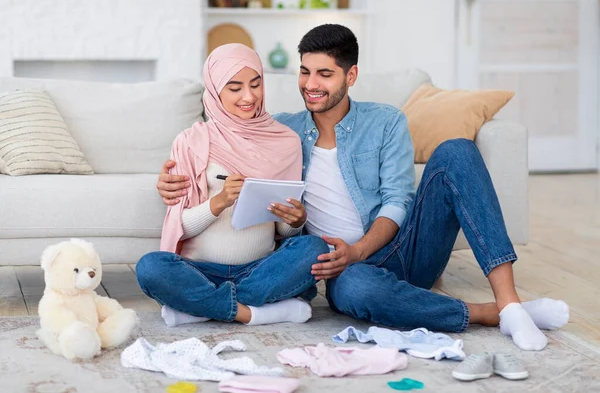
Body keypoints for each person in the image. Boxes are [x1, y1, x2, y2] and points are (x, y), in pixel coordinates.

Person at [156, 26, 569, 350]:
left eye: (324, 74)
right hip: (343, 270)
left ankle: (510, 302)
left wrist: (360, 249)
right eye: (304, 71)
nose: (311, 84)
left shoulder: (385, 121)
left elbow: (397, 200)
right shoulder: (280, 132)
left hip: (401, 247)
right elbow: (232, 142)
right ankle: (486, 313)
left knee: (458, 151)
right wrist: (171, 181)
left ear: (350, 75)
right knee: (353, 288)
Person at [136, 43, 330, 327]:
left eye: (256, 84)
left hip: (260, 269)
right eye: (235, 88)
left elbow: (282, 230)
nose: (249, 97)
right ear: (215, 91)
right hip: (200, 270)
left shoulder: (284, 141)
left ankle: (199, 308)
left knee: (314, 248)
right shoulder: (191, 141)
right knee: (151, 268)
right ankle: (254, 312)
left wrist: (295, 220)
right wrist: (219, 202)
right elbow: (180, 226)